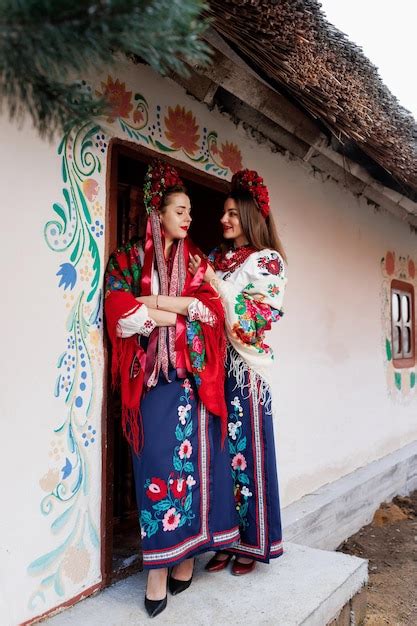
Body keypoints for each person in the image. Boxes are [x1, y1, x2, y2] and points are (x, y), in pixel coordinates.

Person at [104, 160, 239, 618]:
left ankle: (186, 561)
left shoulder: (198, 261)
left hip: (194, 386)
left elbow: (213, 314)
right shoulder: (127, 259)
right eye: (179, 210)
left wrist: (159, 305)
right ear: (157, 213)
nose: (187, 217)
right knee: (158, 470)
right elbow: (119, 311)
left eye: (188, 211)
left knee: (198, 471)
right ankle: (158, 568)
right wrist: (177, 314)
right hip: (154, 384)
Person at [189, 168, 287, 575]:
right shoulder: (215, 257)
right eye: (224, 213)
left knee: (249, 454)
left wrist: (215, 283)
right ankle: (225, 539)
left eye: (232, 213)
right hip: (213, 368)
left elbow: (255, 318)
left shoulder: (269, 262)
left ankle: (254, 541)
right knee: (219, 455)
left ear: (249, 216)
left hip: (245, 370)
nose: (224, 220)